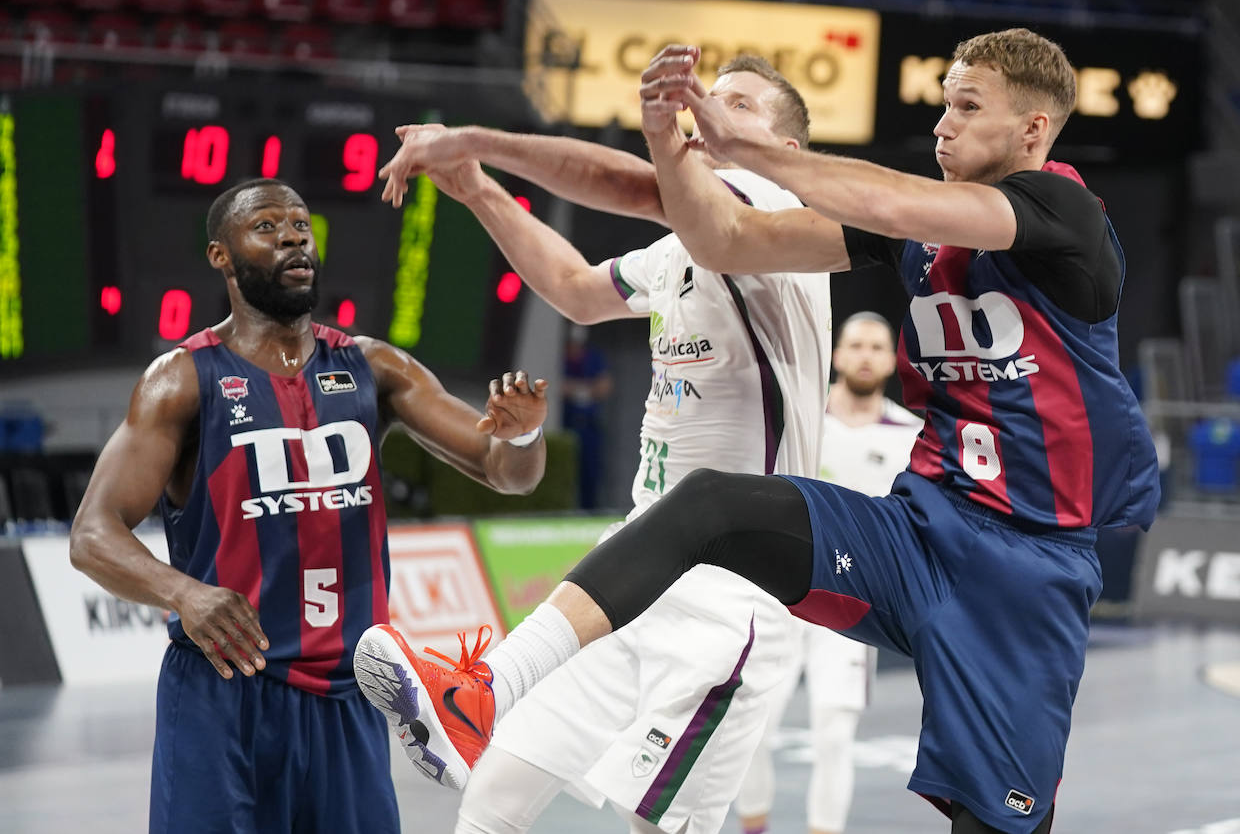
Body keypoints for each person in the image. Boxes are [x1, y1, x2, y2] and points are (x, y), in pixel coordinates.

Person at [357, 28, 1160, 834]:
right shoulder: (878, 225)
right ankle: (485, 687)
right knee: (709, 504)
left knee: (998, 823)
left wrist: (735, 149)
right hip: (922, 528)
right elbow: (709, 237)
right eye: (942, 103)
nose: (943, 123)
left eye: (967, 106)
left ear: (1032, 130)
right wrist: (658, 141)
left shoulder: (1063, 211)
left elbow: (879, 198)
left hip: (1025, 567)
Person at [354, 54, 832, 834]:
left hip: (730, 594)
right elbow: (575, 287)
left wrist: (472, 141)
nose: (712, 113)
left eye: (740, 105)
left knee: (657, 828)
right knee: (495, 794)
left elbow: (637, 185)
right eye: (709, 100)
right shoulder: (676, 252)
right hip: (633, 570)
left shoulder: (773, 216)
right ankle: (473, 698)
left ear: (789, 152)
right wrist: (474, 187)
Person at [68, 178, 550, 834]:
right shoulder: (181, 378)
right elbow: (92, 532)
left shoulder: (372, 366)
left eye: (301, 222)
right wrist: (183, 592)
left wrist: (521, 431)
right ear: (221, 256)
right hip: (223, 691)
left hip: (344, 697)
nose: (293, 234)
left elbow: (506, 472)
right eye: (266, 226)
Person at [736, 311, 923, 834]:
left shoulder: (911, 435)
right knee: (751, 727)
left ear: (891, 360)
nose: (865, 354)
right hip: (779, 594)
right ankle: (755, 826)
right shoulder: (800, 417)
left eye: (877, 347)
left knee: (834, 735)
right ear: (837, 355)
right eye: (856, 344)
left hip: (851, 606)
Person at [562, 322, 614, 509]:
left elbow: (604, 387)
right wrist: (585, 388)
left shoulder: (594, 357)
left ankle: (589, 512)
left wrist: (575, 389)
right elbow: (559, 387)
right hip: (566, 423)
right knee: (566, 474)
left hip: (589, 426)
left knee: (591, 475)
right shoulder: (560, 357)